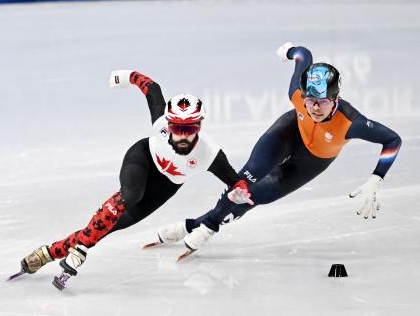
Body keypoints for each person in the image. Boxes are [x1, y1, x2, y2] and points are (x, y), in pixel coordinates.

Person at [154, 43, 402, 258]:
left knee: (257, 196)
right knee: (246, 177)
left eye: (323, 101)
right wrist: (290, 51)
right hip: (290, 131)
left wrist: (376, 178)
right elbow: (304, 55)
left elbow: (392, 140)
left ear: (336, 98)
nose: (315, 107)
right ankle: (208, 227)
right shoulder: (296, 94)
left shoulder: (352, 123)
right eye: (309, 100)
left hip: (313, 160)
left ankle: (191, 225)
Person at [17, 70, 252, 284]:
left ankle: (50, 252)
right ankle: (80, 250)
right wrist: (128, 76)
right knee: (130, 194)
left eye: (189, 129)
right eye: (176, 129)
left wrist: (239, 191)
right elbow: (152, 87)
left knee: (108, 227)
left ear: (199, 126)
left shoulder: (210, 154)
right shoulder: (160, 122)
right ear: (167, 125)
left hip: (165, 187)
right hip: (142, 158)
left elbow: (235, 180)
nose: (182, 135)